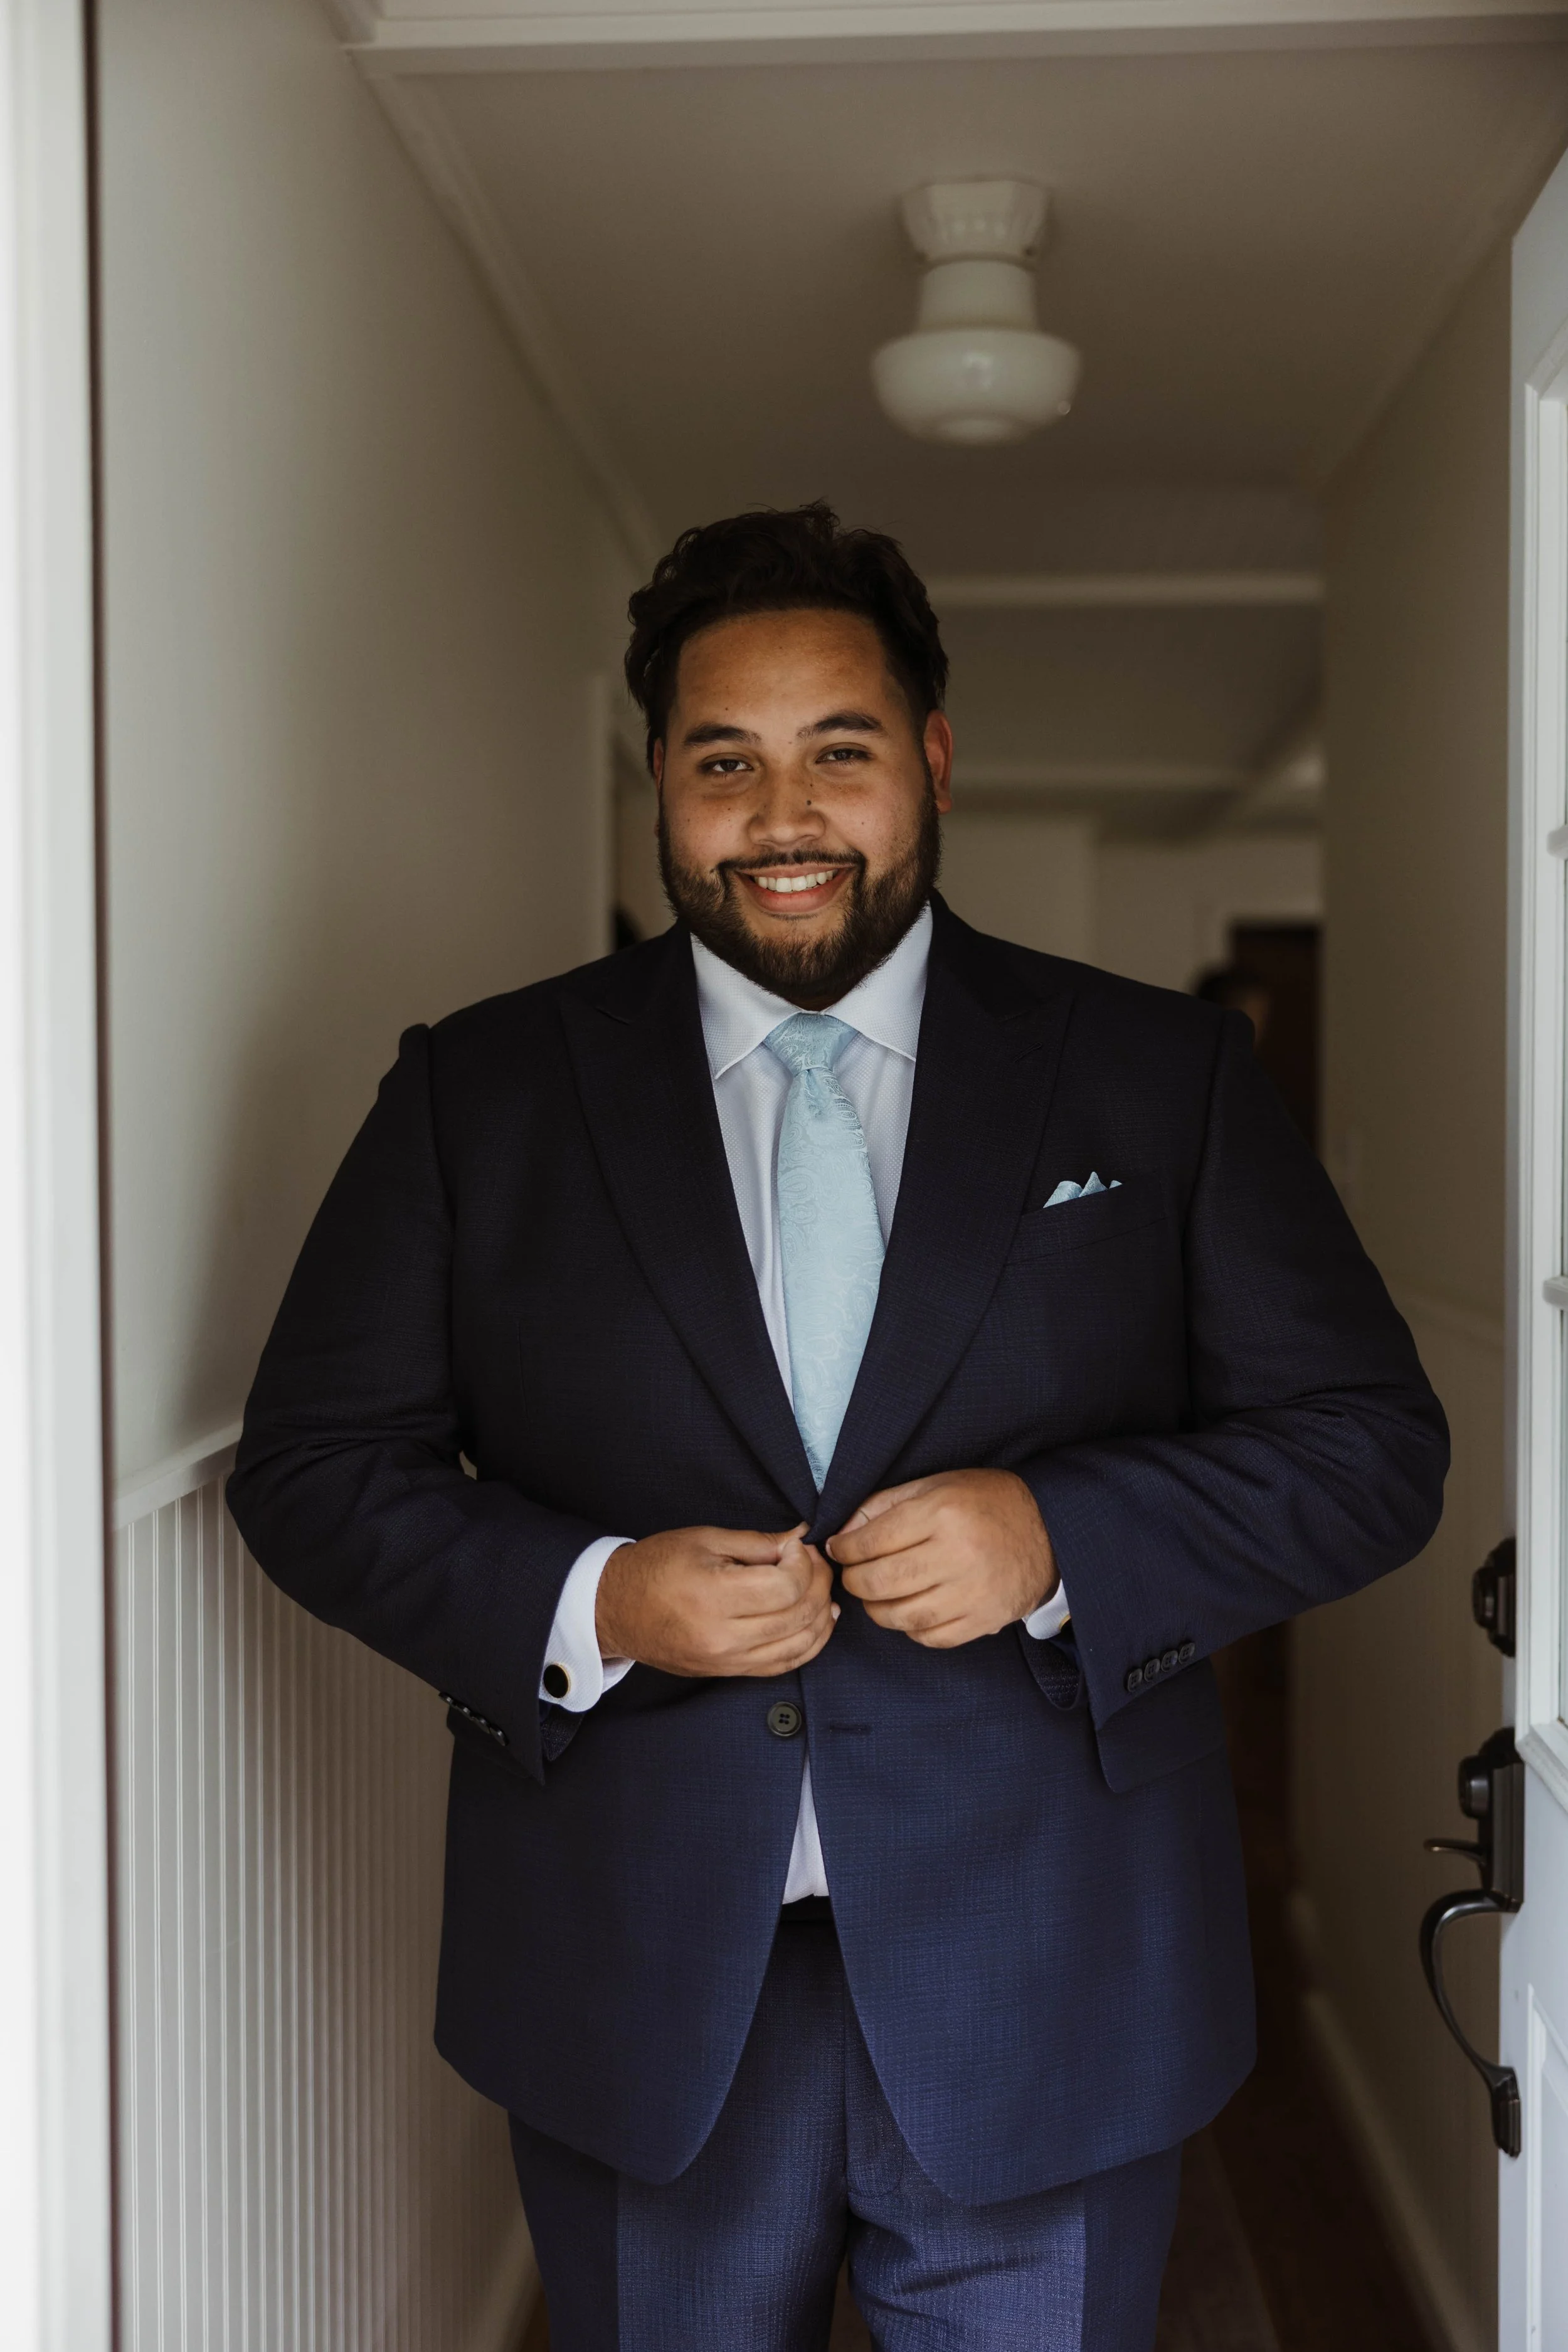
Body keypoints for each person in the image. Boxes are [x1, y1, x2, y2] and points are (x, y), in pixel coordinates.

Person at [228, 504, 1447, 2351]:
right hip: (640, 1987)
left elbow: (1367, 1443)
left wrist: (1063, 1538)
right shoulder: (479, 1092)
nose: (782, 816)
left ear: (932, 761)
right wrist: (599, 1599)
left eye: (839, 752)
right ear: (660, 778)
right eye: (724, 760)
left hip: (1049, 1970)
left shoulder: (1160, 1074)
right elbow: (313, 1469)